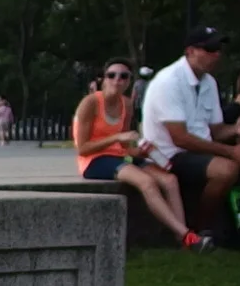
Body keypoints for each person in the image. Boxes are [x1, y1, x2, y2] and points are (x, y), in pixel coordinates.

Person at [74, 60, 206, 248]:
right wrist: (116, 137)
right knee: (147, 182)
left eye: (123, 76)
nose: (117, 80)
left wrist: (143, 151)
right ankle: (187, 236)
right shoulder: (91, 103)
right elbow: (83, 148)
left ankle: (183, 241)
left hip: (118, 155)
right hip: (94, 160)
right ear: (103, 79)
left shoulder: (127, 104)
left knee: (170, 181)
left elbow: (124, 146)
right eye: (111, 75)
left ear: (129, 81)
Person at [140, 26, 240, 234]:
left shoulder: (209, 82)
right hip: (169, 155)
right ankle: (200, 228)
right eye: (210, 49)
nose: (217, 55)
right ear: (190, 51)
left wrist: (238, 130)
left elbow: (217, 131)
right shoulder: (169, 81)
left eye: (219, 49)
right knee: (226, 170)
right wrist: (231, 152)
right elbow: (180, 138)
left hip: (198, 152)